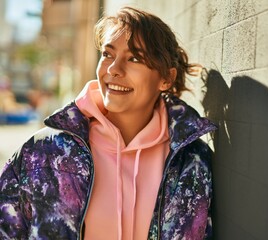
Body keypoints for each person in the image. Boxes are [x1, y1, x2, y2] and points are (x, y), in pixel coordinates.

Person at [0, 6, 217, 240]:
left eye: (134, 58)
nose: (113, 69)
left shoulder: (190, 160)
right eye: (107, 54)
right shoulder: (44, 151)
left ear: (166, 78)